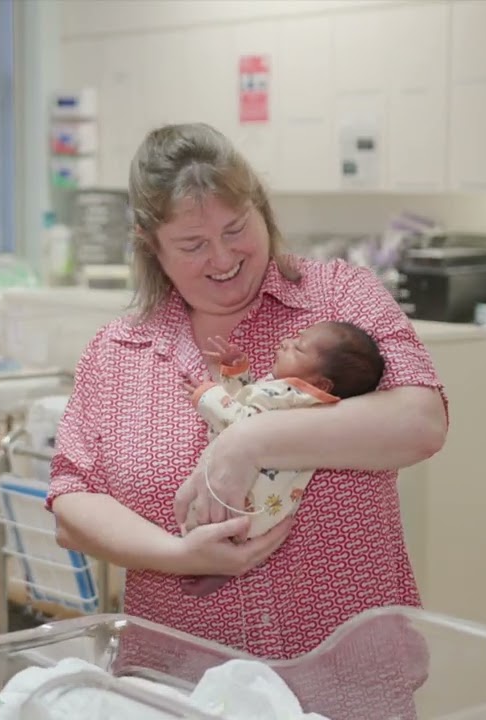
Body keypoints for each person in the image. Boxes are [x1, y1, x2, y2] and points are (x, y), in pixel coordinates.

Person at [47, 123, 448, 665]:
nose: (222, 258)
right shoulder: (119, 351)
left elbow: (420, 423)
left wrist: (250, 441)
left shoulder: (339, 297)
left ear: (260, 206)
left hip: (346, 673)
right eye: (192, 245)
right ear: (150, 245)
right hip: (186, 679)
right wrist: (179, 555)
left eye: (236, 229)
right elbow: (71, 507)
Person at [178, 321, 385, 597]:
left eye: (298, 347)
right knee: (212, 533)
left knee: (198, 517)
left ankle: (207, 560)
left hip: (246, 500)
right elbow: (248, 402)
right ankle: (215, 565)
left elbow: (242, 422)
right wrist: (236, 371)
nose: (287, 341)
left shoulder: (294, 399)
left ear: (321, 383)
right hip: (259, 509)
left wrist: (207, 396)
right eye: (295, 337)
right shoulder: (295, 396)